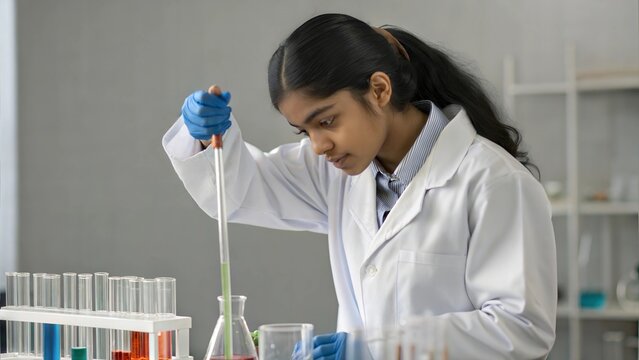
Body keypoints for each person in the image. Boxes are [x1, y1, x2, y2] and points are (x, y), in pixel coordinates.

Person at [163, 13, 557, 359]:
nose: (318, 145)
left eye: (327, 121)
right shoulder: (333, 172)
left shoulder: (493, 182)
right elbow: (240, 191)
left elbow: (521, 331)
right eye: (304, 130)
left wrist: (377, 350)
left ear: (380, 90)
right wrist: (207, 138)